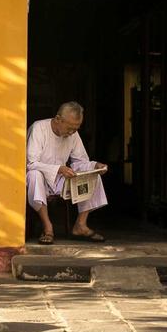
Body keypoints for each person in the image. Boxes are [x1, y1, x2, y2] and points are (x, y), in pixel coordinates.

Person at [25, 101, 108, 244]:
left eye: (76, 129)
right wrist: (59, 169)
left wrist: (95, 165)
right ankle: (47, 227)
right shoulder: (39, 128)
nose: (72, 132)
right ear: (58, 119)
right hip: (40, 179)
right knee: (34, 175)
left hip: (60, 180)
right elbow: (31, 163)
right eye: (70, 128)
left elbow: (80, 161)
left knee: (92, 173)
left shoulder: (73, 134)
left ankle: (80, 225)